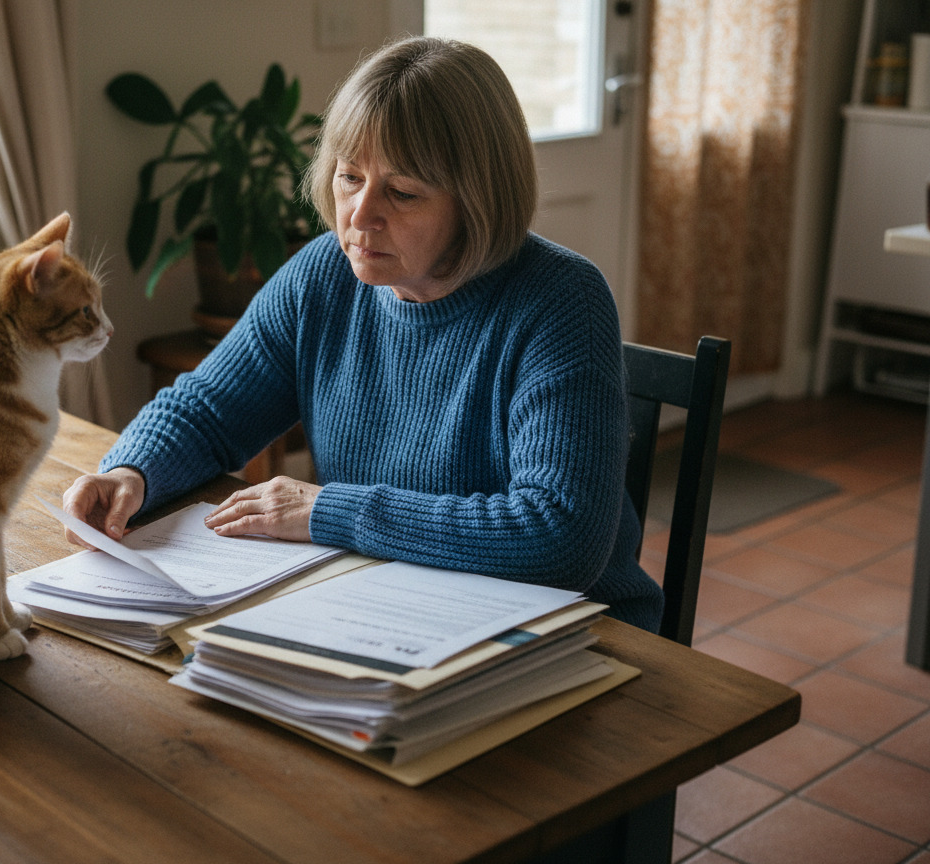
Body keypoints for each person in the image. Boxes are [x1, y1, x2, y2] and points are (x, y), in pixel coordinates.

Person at [63, 36, 665, 632]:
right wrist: (130, 474)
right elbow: (208, 410)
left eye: (401, 192)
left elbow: (557, 538)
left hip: (575, 636)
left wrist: (329, 509)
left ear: (478, 200)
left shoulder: (561, 301)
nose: (359, 215)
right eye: (350, 178)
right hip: (392, 605)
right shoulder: (324, 272)